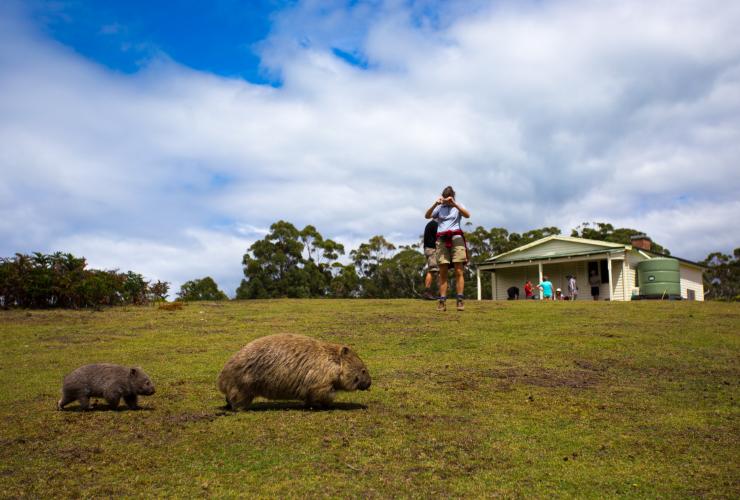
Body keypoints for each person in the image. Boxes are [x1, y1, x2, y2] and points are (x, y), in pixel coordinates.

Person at [425, 186, 470, 311]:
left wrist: (454, 204)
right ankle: (442, 301)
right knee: (443, 272)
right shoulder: (439, 208)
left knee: (459, 271)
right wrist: (435, 203)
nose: (447, 201)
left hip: (456, 238)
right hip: (441, 240)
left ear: (453, 197)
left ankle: (460, 300)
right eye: (445, 198)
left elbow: (467, 215)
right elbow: (427, 216)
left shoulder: (458, 206)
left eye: (449, 198)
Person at [422, 220, 439, 300]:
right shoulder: (434, 224)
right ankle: (427, 292)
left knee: (433, 270)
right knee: (432, 270)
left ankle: (430, 292)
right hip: (431, 249)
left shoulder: (430, 224)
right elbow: (438, 237)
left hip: (428, 249)